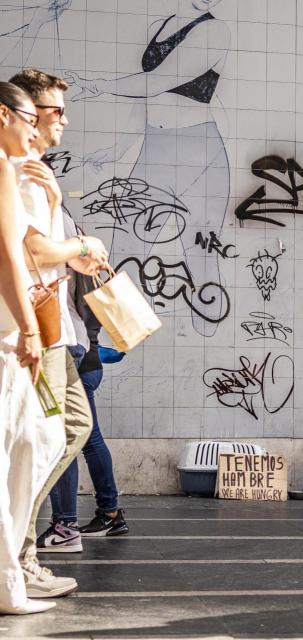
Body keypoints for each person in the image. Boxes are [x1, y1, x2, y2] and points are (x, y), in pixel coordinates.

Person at [65, 0, 231, 336]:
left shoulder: (215, 31)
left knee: (199, 254)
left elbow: (155, 82)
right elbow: (146, 99)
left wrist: (96, 84)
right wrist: (118, 148)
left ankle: (206, 341)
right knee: (126, 247)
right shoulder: (161, 25)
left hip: (199, 154)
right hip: (156, 149)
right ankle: (116, 336)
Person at [9, 69, 107, 597]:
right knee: (50, 436)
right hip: (37, 328)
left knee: (69, 428)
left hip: (53, 327)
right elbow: (31, 250)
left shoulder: (39, 174)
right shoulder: (25, 173)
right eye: (54, 112)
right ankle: (18, 553)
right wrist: (82, 246)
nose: (63, 121)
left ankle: (19, 547)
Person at [0, 80, 64, 614]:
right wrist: (29, 329)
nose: (36, 129)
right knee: (24, 448)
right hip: (7, 336)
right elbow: (10, 256)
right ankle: (9, 582)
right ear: (5, 115)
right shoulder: (6, 167)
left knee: (35, 440)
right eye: (30, 118)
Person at [47, 246, 127, 539]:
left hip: (80, 364)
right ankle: (110, 513)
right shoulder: (88, 277)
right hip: (91, 363)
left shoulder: (68, 276)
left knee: (76, 440)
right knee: (90, 440)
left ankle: (81, 520)